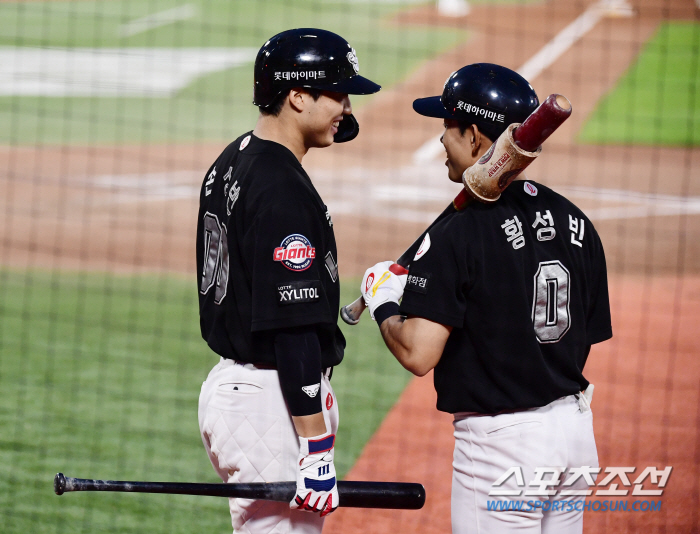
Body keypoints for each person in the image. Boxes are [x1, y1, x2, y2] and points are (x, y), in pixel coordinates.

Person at [361, 63, 612, 534]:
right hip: (575, 434)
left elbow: (418, 353)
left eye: (447, 128)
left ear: (474, 137)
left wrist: (383, 303)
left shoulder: (458, 234)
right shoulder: (576, 221)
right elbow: (586, 334)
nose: (440, 141)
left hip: (502, 449)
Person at [196, 28, 380, 534]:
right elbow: (293, 326)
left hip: (237, 389)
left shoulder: (234, 158)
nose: (347, 106)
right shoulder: (281, 187)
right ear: (298, 96)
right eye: (338, 93)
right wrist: (316, 449)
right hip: (271, 402)